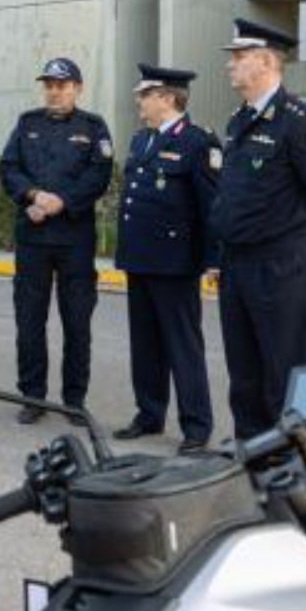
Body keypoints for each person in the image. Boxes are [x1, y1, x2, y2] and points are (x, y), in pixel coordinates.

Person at [209, 18, 306, 441]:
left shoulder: (299, 121)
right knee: (245, 371)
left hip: (282, 265)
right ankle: (251, 449)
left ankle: (291, 455)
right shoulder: (239, 120)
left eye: (239, 56)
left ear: (267, 61)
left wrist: (296, 243)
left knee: (286, 371)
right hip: (238, 264)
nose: (230, 64)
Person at [113, 64, 222, 454]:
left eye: (145, 95)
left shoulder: (197, 142)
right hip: (140, 258)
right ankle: (150, 413)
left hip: (176, 263)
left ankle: (196, 425)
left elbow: (212, 205)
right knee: (145, 344)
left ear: (167, 98)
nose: (139, 102)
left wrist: (214, 259)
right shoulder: (142, 139)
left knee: (182, 345)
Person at [0, 57, 113, 424]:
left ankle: (74, 400)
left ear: (77, 88)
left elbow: (99, 175)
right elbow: (8, 168)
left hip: (74, 240)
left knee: (77, 323)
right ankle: (33, 397)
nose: (54, 92)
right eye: (48, 85)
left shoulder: (93, 127)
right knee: (29, 321)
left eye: (61, 86)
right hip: (32, 237)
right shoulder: (27, 123)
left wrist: (61, 201)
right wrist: (32, 196)